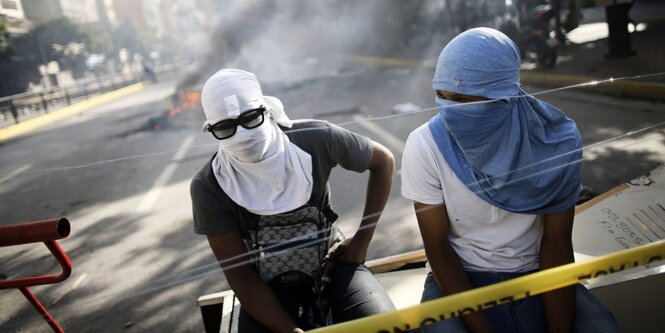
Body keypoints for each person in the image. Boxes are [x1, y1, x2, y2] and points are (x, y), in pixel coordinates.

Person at [400, 28, 620, 332]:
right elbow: (437, 248)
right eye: (442, 96)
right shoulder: (425, 145)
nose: (451, 111)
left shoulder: (556, 143)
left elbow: (556, 244)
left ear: (504, 94)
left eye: (463, 99)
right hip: (460, 276)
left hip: (537, 272)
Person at [190, 69, 396, 333]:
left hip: (331, 266)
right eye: (225, 127)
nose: (241, 135)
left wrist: (361, 241)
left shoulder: (314, 138)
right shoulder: (209, 185)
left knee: (386, 326)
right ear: (211, 129)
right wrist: (289, 329)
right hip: (265, 285)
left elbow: (383, 161)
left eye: (251, 118)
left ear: (265, 109)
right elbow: (240, 275)